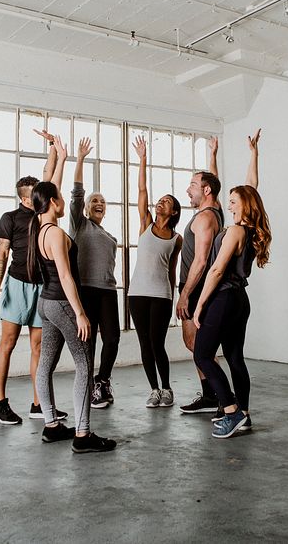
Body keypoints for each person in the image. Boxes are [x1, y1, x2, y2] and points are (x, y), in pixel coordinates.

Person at [28, 137, 116, 453]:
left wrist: (61, 158)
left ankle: (51, 426)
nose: (64, 200)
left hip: (45, 304)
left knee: (46, 365)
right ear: (53, 203)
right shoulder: (54, 234)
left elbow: (48, 189)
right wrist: (80, 313)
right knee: (83, 364)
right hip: (63, 304)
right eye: (60, 198)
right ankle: (82, 434)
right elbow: (66, 275)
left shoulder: (39, 226)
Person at [0, 135, 69, 425]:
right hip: (17, 284)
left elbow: (51, 181)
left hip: (41, 286)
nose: (39, 198)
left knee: (38, 347)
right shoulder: (10, 218)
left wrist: (56, 152)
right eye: (33, 196)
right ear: (23, 198)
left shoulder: (44, 216)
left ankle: (38, 403)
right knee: (7, 342)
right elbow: (2, 253)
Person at [193, 129, 269, 439]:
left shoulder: (235, 232)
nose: (230, 204)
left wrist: (199, 306)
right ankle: (245, 414)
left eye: (234, 201)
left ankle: (231, 411)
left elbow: (215, 271)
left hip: (223, 298)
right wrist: (254, 154)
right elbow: (252, 185)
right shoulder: (249, 230)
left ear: (245, 205)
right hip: (240, 301)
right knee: (235, 357)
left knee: (201, 356)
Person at [42, 136, 121, 409]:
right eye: (94, 200)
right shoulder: (79, 223)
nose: (98, 202)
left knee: (112, 338)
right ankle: (87, 386)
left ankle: (103, 381)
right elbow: (76, 191)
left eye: (102, 201)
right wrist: (80, 159)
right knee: (89, 341)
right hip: (85, 289)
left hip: (108, 291)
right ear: (86, 208)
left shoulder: (109, 235)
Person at [128, 135, 183, 408]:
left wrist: (173, 297)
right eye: (159, 200)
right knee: (144, 344)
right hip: (137, 293)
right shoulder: (146, 223)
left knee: (157, 343)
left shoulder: (177, 238)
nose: (159, 203)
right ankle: (153, 390)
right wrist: (142, 159)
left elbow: (172, 270)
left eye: (166, 202)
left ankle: (168, 388)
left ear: (174, 212)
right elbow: (141, 191)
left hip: (161, 295)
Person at [175, 137, 223, 414]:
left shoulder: (205, 218)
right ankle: (210, 395)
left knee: (199, 345)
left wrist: (184, 295)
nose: (188, 190)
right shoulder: (211, 209)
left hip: (196, 288)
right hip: (194, 287)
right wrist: (212, 154)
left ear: (205, 190)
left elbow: (202, 261)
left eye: (193, 185)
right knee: (193, 343)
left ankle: (220, 395)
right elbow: (213, 181)